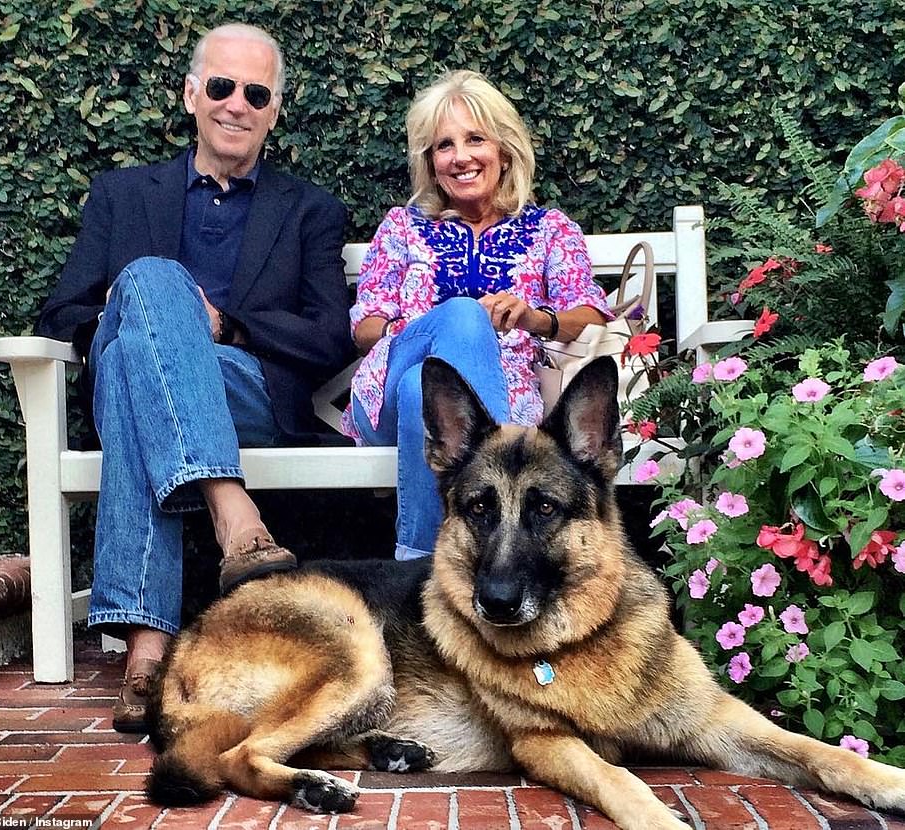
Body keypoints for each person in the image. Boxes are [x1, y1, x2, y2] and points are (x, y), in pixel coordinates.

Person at [35, 23, 351, 731]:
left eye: (256, 93)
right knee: (140, 311)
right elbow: (63, 314)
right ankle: (232, 512)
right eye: (220, 86)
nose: (236, 103)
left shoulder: (309, 211)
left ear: (273, 111)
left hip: (248, 390)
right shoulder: (122, 195)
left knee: (130, 364)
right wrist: (140, 317)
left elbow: (330, 334)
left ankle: (147, 648)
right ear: (190, 95)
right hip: (141, 382)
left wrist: (227, 328)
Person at [344, 70, 612, 561]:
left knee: (416, 396)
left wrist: (534, 318)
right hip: (385, 381)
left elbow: (592, 315)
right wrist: (439, 324)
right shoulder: (403, 226)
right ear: (431, 162)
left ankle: (419, 570)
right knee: (456, 325)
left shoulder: (548, 229)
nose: (460, 156)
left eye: (474, 139)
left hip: (496, 403)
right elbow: (364, 329)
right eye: (444, 145)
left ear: (504, 150)